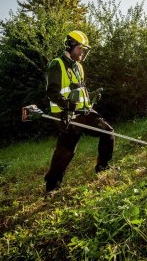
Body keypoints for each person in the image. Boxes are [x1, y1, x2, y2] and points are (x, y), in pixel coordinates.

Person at [44, 30, 114, 192]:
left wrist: (92, 95)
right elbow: (51, 92)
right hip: (66, 114)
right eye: (80, 49)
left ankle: (102, 169)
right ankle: (52, 187)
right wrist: (67, 104)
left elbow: (79, 89)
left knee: (108, 132)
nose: (82, 52)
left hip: (84, 111)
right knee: (66, 152)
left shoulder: (79, 67)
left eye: (84, 49)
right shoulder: (57, 64)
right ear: (71, 46)